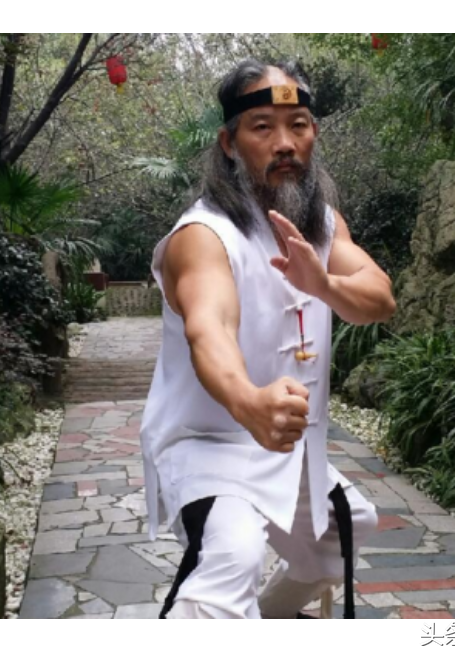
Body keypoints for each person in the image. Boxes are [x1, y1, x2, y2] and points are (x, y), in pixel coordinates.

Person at [139, 58, 396, 619]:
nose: (284, 143)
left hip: (289, 447)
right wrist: (249, 400)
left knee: (346, 532)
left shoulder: (322, 223)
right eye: (262, 127)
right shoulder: (203, 236)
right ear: (229, 143)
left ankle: (270, 619)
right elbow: (209, 329)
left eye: (297, 125)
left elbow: (380, 297)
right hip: (209, 442)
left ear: (314, 133)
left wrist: (323, 283)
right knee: (233, 555)